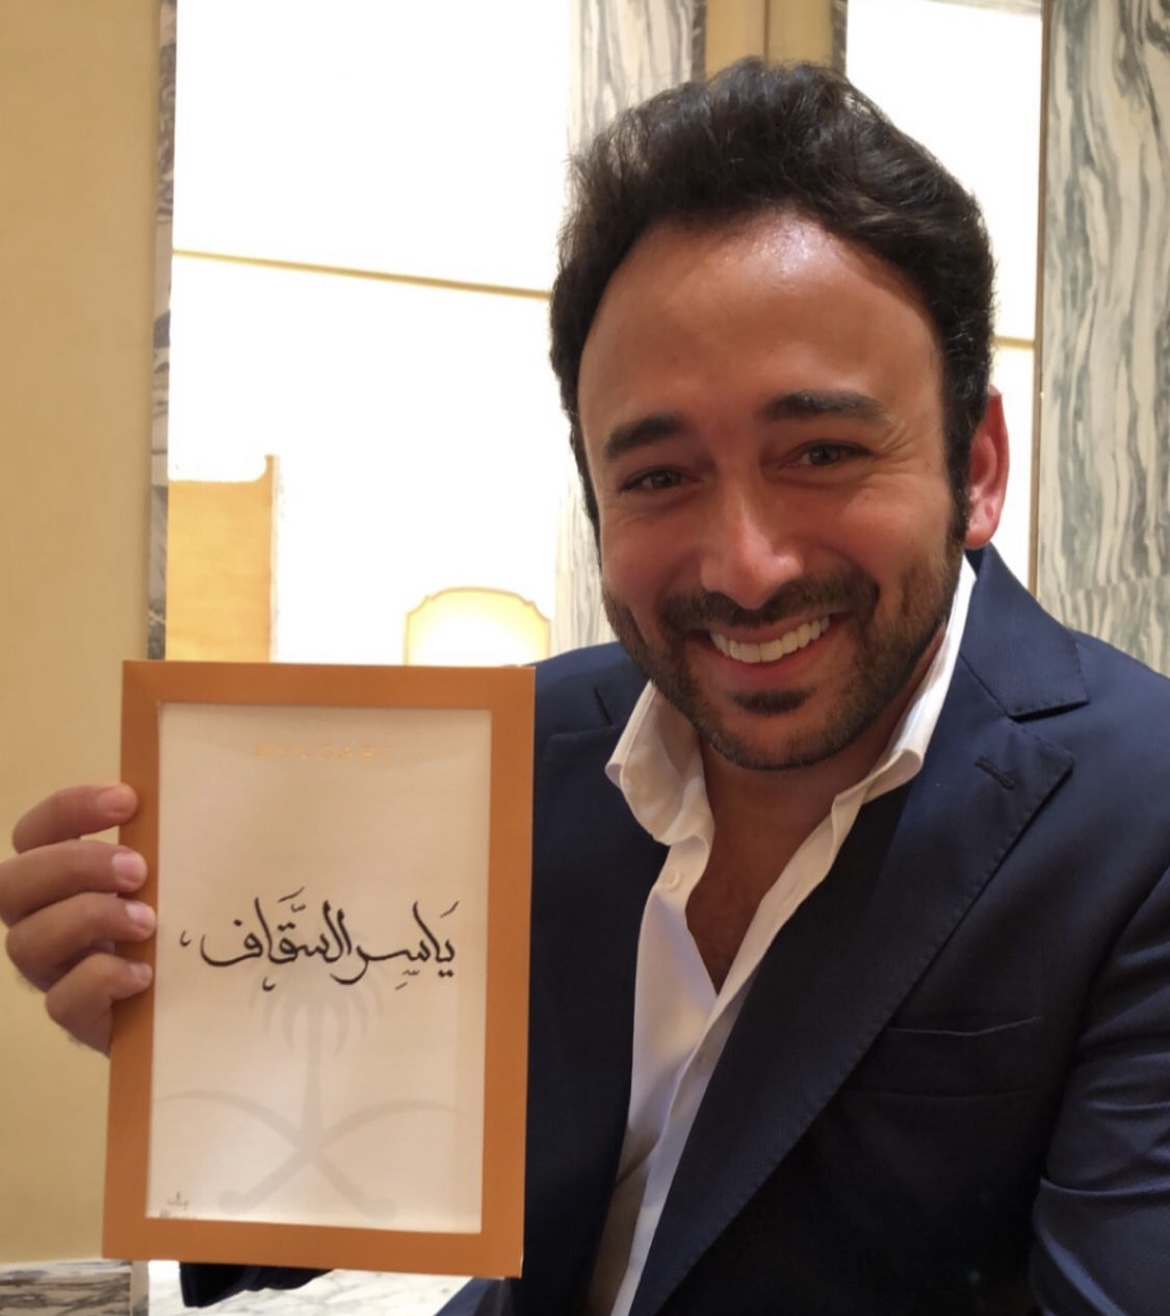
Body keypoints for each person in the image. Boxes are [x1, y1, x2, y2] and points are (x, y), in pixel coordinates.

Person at [4, 58, 1170, 1315]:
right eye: (660, 476)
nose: (745, 566)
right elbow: (353, 1176)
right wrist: (194, 1029)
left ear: (976, 465)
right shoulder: (527, 752)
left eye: (823, 451)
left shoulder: (1137, 819)